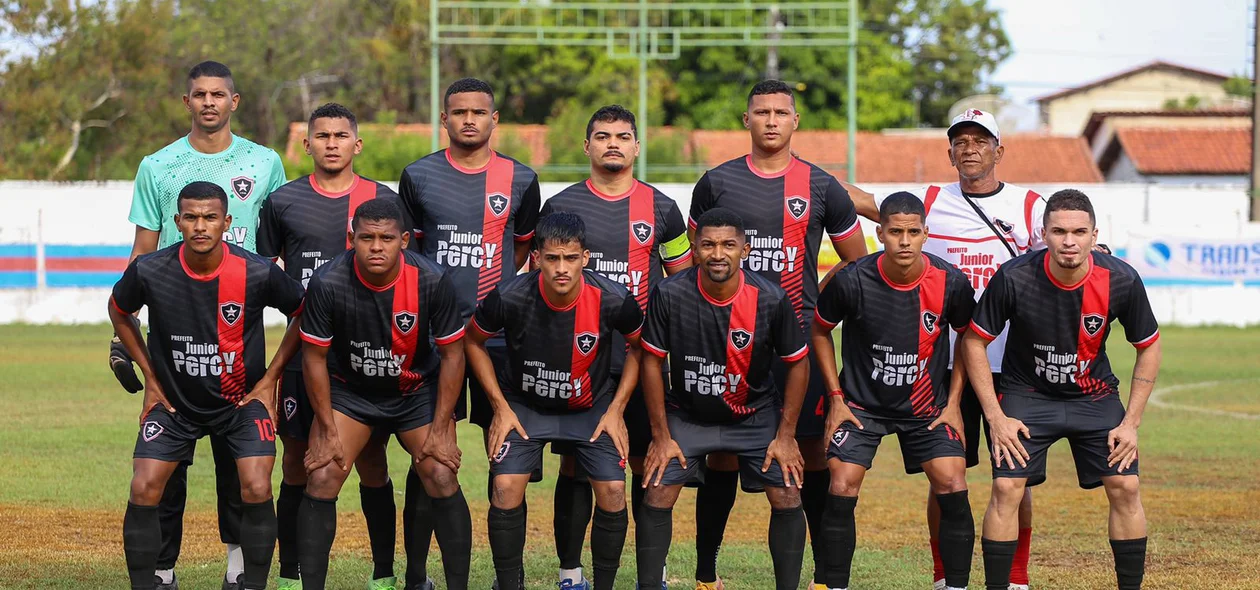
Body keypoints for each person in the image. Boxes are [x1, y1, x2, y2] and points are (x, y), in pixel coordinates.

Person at [842, 109, 1045, 590]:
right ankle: (943, 575)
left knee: (1013, 476)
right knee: (945, 476)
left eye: (981, 140)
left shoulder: (1031, 206)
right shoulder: (930, 201)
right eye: (961, 140)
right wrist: (793, 167)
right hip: (943, 364)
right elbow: (862, 201)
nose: (970, 147)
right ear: (949, 151)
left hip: (1008, 366)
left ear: (1000, 149)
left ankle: (1016, 578)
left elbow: (1062, 245)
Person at [109, 60, 288, 590]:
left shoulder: (265, 162)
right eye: (199, 94)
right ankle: (161, 568)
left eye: (218, 94)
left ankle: (240, 566)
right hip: (173, 318)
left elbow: (273, 248)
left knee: (243, 463)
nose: (209, 102)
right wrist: (122, 342)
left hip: (240, 316)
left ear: (235, 101)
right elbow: (143, 248)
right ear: (186, 102)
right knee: (167, 464)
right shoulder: (157, 165)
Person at [687, 80, 868, 590]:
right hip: (725, 343)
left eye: (780, 112)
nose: (771, 120)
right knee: (721, 452)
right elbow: (695, 253)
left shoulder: (821, 185)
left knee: (808, 456)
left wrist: (815, 298)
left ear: (795, 121)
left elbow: (857, 261)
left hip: (799, 347)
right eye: (761, 112)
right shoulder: (716, 183)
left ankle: (818, 578)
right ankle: (706, 576)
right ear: (746, 120)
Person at [963, 189, 1160, 590]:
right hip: (1028, 395)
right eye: (1059, 231)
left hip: (1094, 396)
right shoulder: (1015, 276)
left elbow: (1149, 346)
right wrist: (996, 417)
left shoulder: (1120, 278)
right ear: (1044, 233)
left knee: (1126, 485)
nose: (1069, 241)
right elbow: (973, 341)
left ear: (1094, 235)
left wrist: (1131, 423)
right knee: (1005, 486)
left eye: (1078, 232)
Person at [539, 104, 693, 589]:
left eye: (623, 136)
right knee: (576, 466)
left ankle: (655, 573)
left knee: (652, 465)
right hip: (579, 364)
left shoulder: (662, 209)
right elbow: (540, 284)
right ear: (587, 146)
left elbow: (683, 281)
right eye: (602, 136)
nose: (613, 144)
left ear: (636, 147)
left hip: (644, 362)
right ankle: (570, 573)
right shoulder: (561, 207)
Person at [256, 103, 408, 590]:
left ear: (356, 143)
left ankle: (383, 574)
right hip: (306, 351)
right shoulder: (282, 202)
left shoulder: (383, 199)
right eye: (322, 136)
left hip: (369, 355)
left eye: (341, 135)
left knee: (371, 462)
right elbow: (266, 274)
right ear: (307, 144)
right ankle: (288, 575)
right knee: (303, 462)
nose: (332, 143)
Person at [397, 77, 541, 589]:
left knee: (509, 467)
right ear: (445, 119)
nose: (469, 120)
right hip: (433, 343)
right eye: (459, 112)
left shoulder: (521, 179)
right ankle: (417, 576)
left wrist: (489, 300)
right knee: (431, 459)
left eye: (480, 112)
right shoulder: (417, 176)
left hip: (500, 342)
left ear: (494, 119)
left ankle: (511, 578)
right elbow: (407, 253)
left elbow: (521, 252)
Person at [295, 198, 472, 590]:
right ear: (351, 239)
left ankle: (445, 583)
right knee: (322, 476)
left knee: (441, 474)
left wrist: (443, 426)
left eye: (387, 238)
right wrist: (325, 427)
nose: (377, 246)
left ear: (404, 240)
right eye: (367, 237)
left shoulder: (431, 279)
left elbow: (453, 354)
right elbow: (313, 359)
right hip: (351, 394)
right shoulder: (328, 281)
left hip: (415, 392)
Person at [467, 212, 644, 590]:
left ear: (586, 258)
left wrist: (616, 410)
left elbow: (640, 348)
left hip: (592, 409)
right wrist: (500, 406)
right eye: (552, 258)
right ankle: (508, 584)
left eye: (570, 258)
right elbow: (472, 342)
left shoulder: (613, 298)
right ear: (536, 258)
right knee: (505, 486)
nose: (561, 268)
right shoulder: (510, 296)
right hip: (525, 407)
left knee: (613, 491)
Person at [637, 207, 810, 590]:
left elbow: (798, 364)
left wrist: (785, 436)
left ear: (745, 250)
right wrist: (661, 435)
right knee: (658, 487)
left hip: (754, 414)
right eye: (709, 245)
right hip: (689, 414)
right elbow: (651, 362)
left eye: (728, 245)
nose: (718, 254)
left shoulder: (769, 298)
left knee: (786, 491)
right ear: (695, 250)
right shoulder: (669, 293)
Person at [810, 193, 977, 590]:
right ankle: (834, 585)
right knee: (840, 482)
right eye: (896, 232)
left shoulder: (950, 281)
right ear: (880, 232)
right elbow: (819, 330)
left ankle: (954, 585)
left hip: (925, 407)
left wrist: (954, 404)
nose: (905, 241)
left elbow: (968, 336)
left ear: (926, 234)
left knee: (953, 482)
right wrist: (835, 398)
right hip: (861, 405)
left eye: (913, 232)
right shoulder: (852, 279)